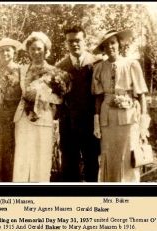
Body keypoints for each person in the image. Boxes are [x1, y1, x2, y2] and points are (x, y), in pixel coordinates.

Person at [92, 29, 149, 182]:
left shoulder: (132, 64)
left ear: (119, 44)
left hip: (128, 117)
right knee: (108, 155)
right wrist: (96, 123)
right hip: (107, 119)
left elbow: (141, 95)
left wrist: (144, 123)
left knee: (128, 154)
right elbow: (98, 97)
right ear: (103, 48)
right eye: (106, 45)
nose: (110, 47)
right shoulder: (98, 68)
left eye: (113, 43)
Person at [13, 32, 69, 182]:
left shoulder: (54, 71)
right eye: (32, 49)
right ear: (28, 51)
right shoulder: (22, 69)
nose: (36, 52)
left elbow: (59, 98)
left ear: (45, 50)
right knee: (22, 156)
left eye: (39, 49)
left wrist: (39, 95)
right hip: (23, 116)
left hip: (43, 115)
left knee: (41, 156)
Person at [56, 25, 101, 182]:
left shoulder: (97, 63)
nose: (74, 44)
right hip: (68, 124)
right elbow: (57, 99)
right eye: (70, 41)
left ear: (85, 41)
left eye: (78, 40)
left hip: (91, 123)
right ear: (66, 43)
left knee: (92, 163)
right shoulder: (60, 67)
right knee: (69, 165)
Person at [0, 38, 22, 182]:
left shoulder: (21, 70)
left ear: (14, 52)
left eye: (8, 50)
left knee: (11, 148)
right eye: (1, 51)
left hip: (13, 116)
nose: (5, 53)